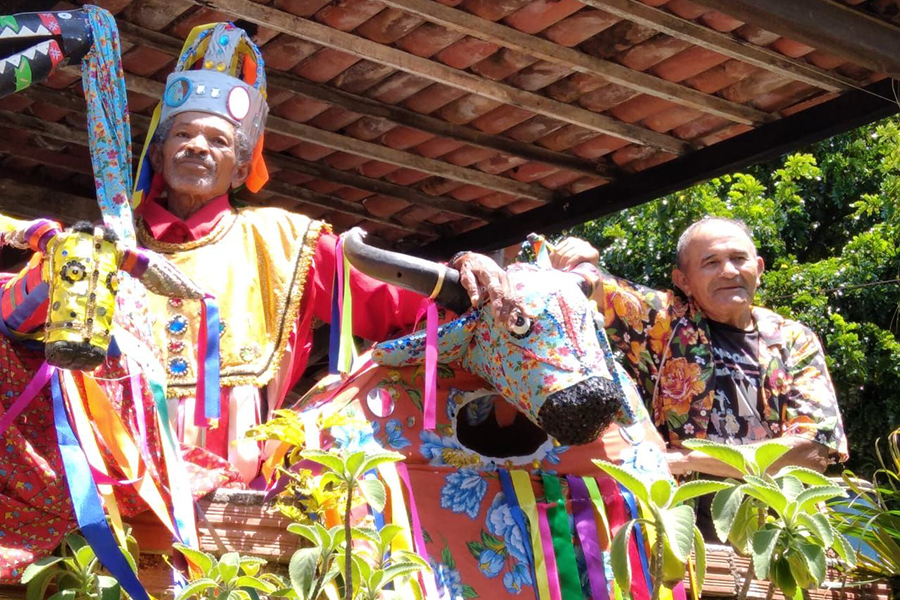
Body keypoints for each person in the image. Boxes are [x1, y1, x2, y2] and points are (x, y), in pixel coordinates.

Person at [127, 22, 518, 484]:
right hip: (119, 473)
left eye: (219, 141)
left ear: (240, 172)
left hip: (243, 485)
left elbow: (397, 299)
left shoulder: (283, 238)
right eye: (183, 135)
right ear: (158, 155)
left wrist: (461, 273)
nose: (198, 147)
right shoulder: (111, 243)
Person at [549, 216, 848, 480]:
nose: (729, 271)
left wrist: (685, 460)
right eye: (711, 262)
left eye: (738, 258)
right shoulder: (663, 322)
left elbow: (813, 451)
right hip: (679, 519)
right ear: (683, 281)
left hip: (777, 522)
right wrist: (581, 260)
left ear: (758, 269)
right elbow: (587, 287)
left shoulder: (793, 339)